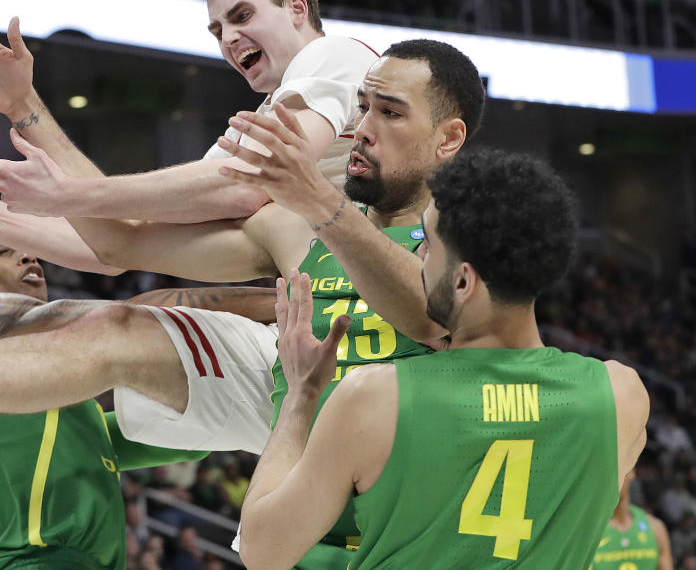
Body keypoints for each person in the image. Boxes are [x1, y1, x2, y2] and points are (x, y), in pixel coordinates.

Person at [0, 39, 482, 567]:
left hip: (406, 453)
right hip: (298, 414)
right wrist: (24, 116)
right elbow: (120, 244)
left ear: (450, 138)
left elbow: (426, 313)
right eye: (361, 107)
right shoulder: (291, 224)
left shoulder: (475, 227)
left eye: (389, 111)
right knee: (113, 323)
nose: (362, 127)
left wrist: (322, 202)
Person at [236, 149, 650, 569]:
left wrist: (300, 395)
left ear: (463, 280)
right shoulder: (621, 398)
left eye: (427, 245)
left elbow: (262, 551)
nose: (417, 257)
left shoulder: (374, 398)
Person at [0, 0, 377, 267]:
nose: (229, 39)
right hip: (326, 299)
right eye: (218, 30)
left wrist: (70, 194)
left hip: (389, 286)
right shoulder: (259, 124)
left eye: (242, 16)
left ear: (297, 9)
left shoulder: (334, 54)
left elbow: (245, 186)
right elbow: (119, 243)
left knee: (131, 327)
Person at [0, 235, 282, 568]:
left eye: (26, 250)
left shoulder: (70, 404)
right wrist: (284, 301)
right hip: (34, 562)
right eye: (2, 252)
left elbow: (171, 441)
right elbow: (134, 315)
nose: (27, 256)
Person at [591, 471, 673, 570]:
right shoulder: (588, 533)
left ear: (631, 471)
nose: (613, 478)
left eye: (617, 469)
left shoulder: (656, 528)